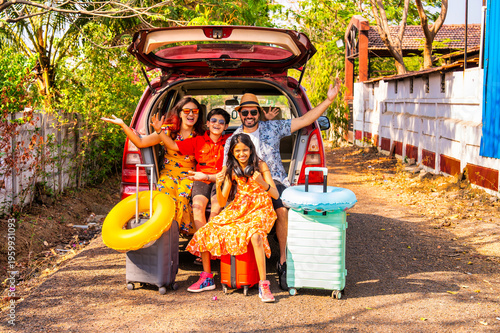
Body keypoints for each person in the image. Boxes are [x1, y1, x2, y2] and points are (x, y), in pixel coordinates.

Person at [223, 79, 341, 290]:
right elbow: (227, 170)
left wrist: (329, 100)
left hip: (274, 180)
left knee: (283, 211)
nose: (249, 116)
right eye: (245, 113)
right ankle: (237, 263)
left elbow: (305, 119)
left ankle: (283, 261)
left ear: (258, 113)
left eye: (253, 112)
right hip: (244, 185)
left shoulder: (274, 127)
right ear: (239, 114)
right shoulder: (233, 139)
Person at [185, 133, 279, 302]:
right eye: (237, 151)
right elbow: (221, 201)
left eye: (245, 150)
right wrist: (220, 183)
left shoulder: (260, 165)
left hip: (261, 208)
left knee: (256, 235)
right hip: (239, 207)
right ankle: (207, 277)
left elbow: (275, 194)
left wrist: (262, 182)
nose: (242, 154)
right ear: (232, 153)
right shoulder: (231, 169)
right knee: (207, 230)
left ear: (251, 150)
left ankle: (264, 285)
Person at [101, 97, 205, 234]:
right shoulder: (167, 131)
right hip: (168, 174)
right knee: (166, 197)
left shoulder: (202, 134)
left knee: (183, 196)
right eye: (186, 110)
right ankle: (167, 234)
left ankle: (177, 232)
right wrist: (123, 126)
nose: (191, 114)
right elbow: (140, 142)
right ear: (179, 113)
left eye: (195, 111)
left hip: (190, 175)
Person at [153, 108, 231, 235]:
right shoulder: (197, 141)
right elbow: (173, 146)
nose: (217, 124)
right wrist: (159, 131)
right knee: (197, 207)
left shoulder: (230, 140)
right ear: (208, 123)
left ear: (226, 126)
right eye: (213, 120)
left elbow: (247, 136)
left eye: (221, 122)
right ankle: (204, 245)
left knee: (216, 209)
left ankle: (211, 245)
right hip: (201, 180)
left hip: (220, 181)